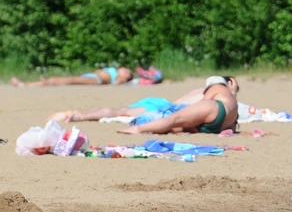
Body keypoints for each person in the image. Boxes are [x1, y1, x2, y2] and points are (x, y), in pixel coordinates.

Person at [48, 77, 239, 123]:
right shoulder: (220, 94)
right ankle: (74, 115)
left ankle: (76, 114)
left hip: (160, 101)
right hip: (163, 107)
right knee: (119, 112)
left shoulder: (205, 89)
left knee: (120, 110)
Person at [118, 76, 239, 135]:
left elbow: (205, 101)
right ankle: (148, 127)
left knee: (172, 119)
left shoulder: (217, 87)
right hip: (219, 125)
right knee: (177, 127)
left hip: (213, 110)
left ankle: (138, 129)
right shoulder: (233, 103)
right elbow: (232, 127)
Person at [11, 67, 133, 87]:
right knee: (65, 79)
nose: (123, 68)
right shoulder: (115, 71)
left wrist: (121, 80)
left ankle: (26, 84)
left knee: (68, 80)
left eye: (126, 70)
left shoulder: (120, 76)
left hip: (95, 80)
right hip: (92, 77)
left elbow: (117, 83)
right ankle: (25, 84)